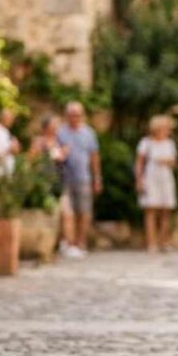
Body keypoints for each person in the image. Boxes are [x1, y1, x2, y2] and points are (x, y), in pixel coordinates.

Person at [56, 102, 102, 259]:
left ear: (82, 116)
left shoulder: (89, 133)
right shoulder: (60, 133)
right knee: (67, 212)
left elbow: (94, 156)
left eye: (77, 115)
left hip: (84, 177)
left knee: (83, 211)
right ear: (66, 116)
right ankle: (67, 243)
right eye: (71, 115)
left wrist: (97, 178)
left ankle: (79, 243)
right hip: (64, 177)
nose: (74, 118)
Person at [135, 115, 178, 253]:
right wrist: (139, 179)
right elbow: (139, 163)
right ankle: (151, 243)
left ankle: (163, 242)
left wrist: (166, 161)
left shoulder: (170, 143)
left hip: (165, 178)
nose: (167, 130)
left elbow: (173, 162)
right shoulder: (146, 142)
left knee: (166, 211)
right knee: (150, 211)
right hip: (151, 178)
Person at [0, 109, 21, 177]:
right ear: (4, 118)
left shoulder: (6, 131)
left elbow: (11, 151)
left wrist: (15, 148)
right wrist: (10, 148)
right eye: (10, 118)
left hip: (6, 172)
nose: (12, 121)